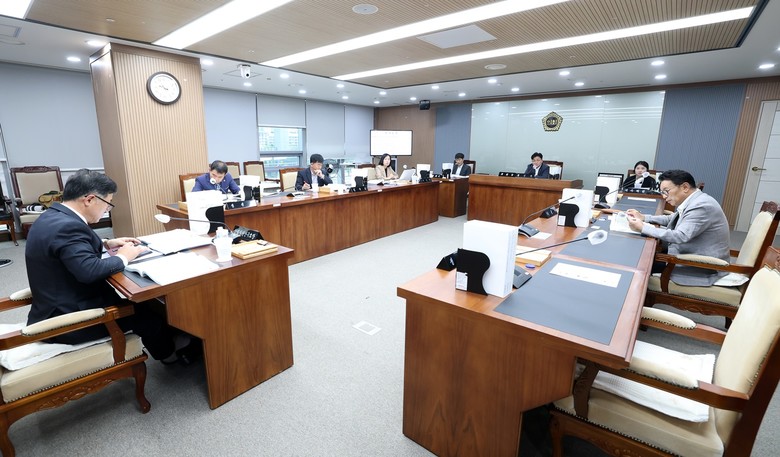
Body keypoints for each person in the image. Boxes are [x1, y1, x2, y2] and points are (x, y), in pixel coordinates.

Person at [25, 169, 195, 364]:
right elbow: (89, 272)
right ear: (89, 199)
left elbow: (67, 248)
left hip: (56, 303)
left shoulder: (53, 216)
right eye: (107, 203)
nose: (107, 209)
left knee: (145, 302)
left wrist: (106, 243)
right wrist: (124, 257)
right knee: (146, 314)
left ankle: (169, 339)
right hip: (69, 320)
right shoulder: (67, 227)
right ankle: (169, 355)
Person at [626, 169, 730, 286]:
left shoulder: (701, 205)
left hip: (698, 267)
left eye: (666, 191)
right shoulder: (696, 200)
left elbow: (680, 236)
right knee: (639, 254)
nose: (664, 196)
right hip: (685, 253)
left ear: (685, 187)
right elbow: (672, 219)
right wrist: (644, 218)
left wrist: (643, 228)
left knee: (636, 262)